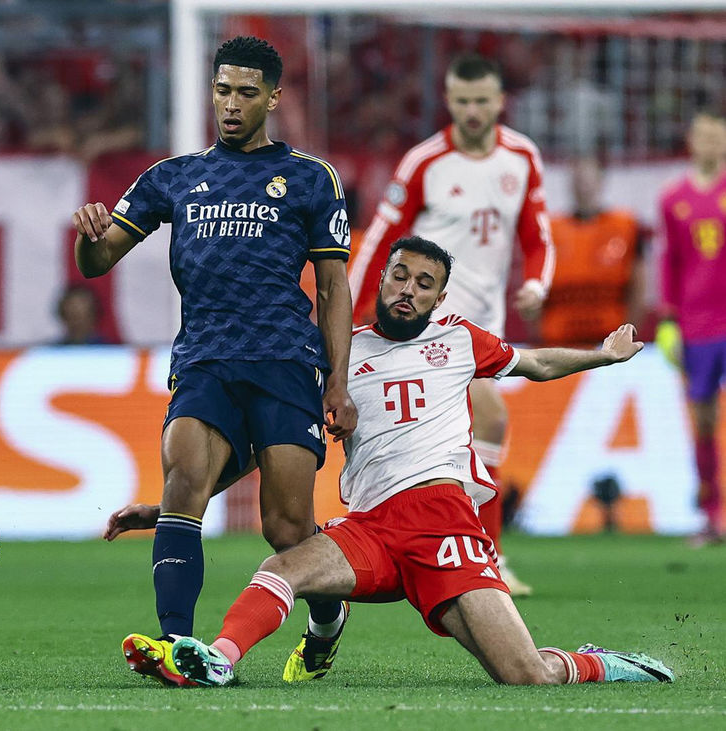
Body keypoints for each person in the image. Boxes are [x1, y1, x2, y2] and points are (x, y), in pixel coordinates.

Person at [118, 236, 673, 688]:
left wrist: (604, 354)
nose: (409, 290)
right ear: (380, 279)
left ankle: (600, 663)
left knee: (526, 677)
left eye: (424, 284)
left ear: (440, 298)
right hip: (371, 527)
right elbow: (275, 445)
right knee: (279, 568)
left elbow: (536, 363)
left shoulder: (460, 340)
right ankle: (217, 659)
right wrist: (174, 506)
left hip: (445, 524)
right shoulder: (338, 354)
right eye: (400, 276)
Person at [72, 36, 358, 687]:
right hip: (203, 359)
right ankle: (177, 644)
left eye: (247, 93)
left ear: (274, 97)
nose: (231, 104)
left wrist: (337, 380)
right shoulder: (172, 177)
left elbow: (335, 286)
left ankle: (325, 616)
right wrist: (89, 241)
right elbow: (99, 261)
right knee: (184, 479)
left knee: (286, 526)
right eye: (223, 90)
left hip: (285, 360)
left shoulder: (312, 178)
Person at [346, 54, 555, 595]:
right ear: (448, 100)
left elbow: (537, 237)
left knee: (473, 435)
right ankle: (488, 556)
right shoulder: (425, 162)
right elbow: (379, 241)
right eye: (462, 101)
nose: (472, 111)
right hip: (431, 321)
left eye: (482, 100)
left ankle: (461, 548)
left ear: (500, 100)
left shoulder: (522, 157)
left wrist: (536, 283)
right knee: (490, 421)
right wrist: (345, 313)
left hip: (486, 318)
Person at [655, 111, 726, 546]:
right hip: (697, 325)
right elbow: (670, 261)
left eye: (717, 136)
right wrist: (668, 319)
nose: (710, 143)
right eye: (703, 136)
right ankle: (711, 514)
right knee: (702, 421)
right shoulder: (673, 198)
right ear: (692, 141)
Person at [539, 158, 644, 347]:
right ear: (570, 186)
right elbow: (533, 287)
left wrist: (629, 333)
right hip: (559, 341)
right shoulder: (550, 230)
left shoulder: (625, 225)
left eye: (589, 181)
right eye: (579, 182)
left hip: (609, 338)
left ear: (601, 183)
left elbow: (639, 285)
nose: (584, 188)